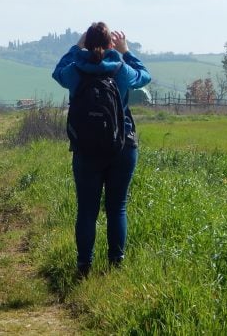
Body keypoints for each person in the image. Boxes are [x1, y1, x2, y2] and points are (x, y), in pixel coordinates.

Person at [52, 22, 151, 277]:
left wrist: (76, 47)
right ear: (110, 44)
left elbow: (57, 72)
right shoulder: (121, 69)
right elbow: (145, 76)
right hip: (122, 145)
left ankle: (84, 265)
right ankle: (115, 264)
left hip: (85, 149)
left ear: (87, 41)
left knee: (87, 209)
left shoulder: (76, 69)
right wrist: (126, 50)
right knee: (117, 207)